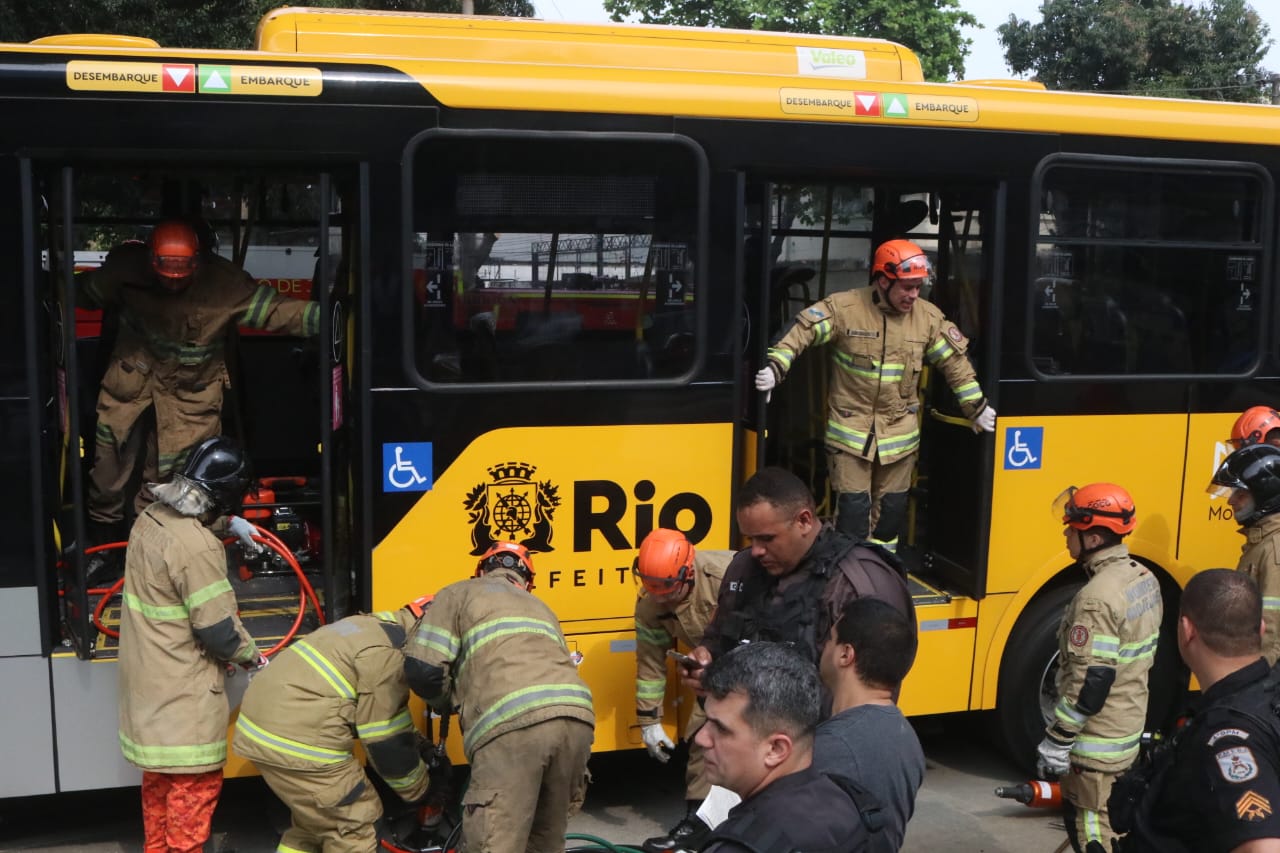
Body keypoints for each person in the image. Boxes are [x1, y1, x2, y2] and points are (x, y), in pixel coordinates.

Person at [80, 219, 319, 580]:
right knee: (107, 474)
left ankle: (161, 560)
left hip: (189, 400)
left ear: (198, 262)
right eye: (164, 271)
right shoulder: (123, 271)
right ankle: (106, 552)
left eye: (183, 271)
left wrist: (339, 317)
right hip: (128, 391)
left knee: (179, 484)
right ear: (150, 260)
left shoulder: (226, 285)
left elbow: (280, 313)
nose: (173, 280)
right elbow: (78, 294)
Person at [753, 239, 995, 552]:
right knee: (853, 516)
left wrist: (976, 408)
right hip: (851, 436)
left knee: (889, 520)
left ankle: (882, 575)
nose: (913, 295)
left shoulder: (928, 319)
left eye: (918, 287)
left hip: (900, 439)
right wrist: (775, 367)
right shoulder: (846, 309)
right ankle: (849, 578)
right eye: (907, 287)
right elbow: (803, 333)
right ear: (883, 280)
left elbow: (955, 365)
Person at [116, 435, 267, 853]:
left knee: (158, 794)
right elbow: (218, 631)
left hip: (149, 691)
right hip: (183, 699)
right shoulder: (197, 548)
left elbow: (180, 536)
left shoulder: (150, 519)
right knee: (191, 798)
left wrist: (228, 523)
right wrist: (253, 658)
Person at [403, 542, 594, 853]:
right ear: (527, 582)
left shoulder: (459, 592)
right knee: (545, 840)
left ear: (481, 570)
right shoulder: (544, 609)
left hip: (513, 726)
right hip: (577, 720)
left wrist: (446, 703)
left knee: (494, 841)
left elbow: (423, 669)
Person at [233, 598, 445, 853]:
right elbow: (384, 740)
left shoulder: (368, 627)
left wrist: (419, 745)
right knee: (355, 824)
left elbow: (381, 712)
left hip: (262, 728)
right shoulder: (389, 655)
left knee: (316, 822)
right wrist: (422, 790)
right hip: (300, 742)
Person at [684, 467, 913, 685]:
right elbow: (718, 637)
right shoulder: (744, 568)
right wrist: (707, 662)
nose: (756, 550)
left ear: (803, 521)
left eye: (767, 538)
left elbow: (873, 692)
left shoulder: (855, 582)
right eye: (750, 539)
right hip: (744, 722)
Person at [1109, 569, 1280, 852]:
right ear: (1261, 628)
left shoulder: (1228, 737)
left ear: (1187, 630)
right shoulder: (1266, 694)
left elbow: (1264, 847)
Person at [1037, 483, 1163, 853]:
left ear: (1091, 538)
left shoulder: (1095, 599)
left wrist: (1057, 740)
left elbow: (1091, 681)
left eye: (1071, 528)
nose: (1065, 533)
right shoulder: (1143, 578)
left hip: (1096, 749)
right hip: (1127, 730)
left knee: (1093, 830)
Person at [693, 641, 883, 852]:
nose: (701, 738)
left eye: (720, 728)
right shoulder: (851, 803)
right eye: (706, 721)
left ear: (776, 749)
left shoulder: (743, 845)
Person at [632, 528, 734, 853]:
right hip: (713, 675)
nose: (660, 598)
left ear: (687, 572)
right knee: (704, 740)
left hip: (758, 661)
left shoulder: (725, 577)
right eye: (653, 590)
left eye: (667, 590)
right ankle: (697, 827)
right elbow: (650, 664)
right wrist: (649, 719)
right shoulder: (651, 604)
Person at [815, 597, 925, 852]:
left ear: (845, 654)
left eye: (830, 638)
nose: (823, 645)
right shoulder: (906, 738)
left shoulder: (831, 747)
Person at [1210, 443, 1280, 666]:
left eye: (1240, 494)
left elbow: (1270, 629)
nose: (1231, 501)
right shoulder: (1262, 539)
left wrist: (1249, 677)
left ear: (1264, 495)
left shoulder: (1273, 548)